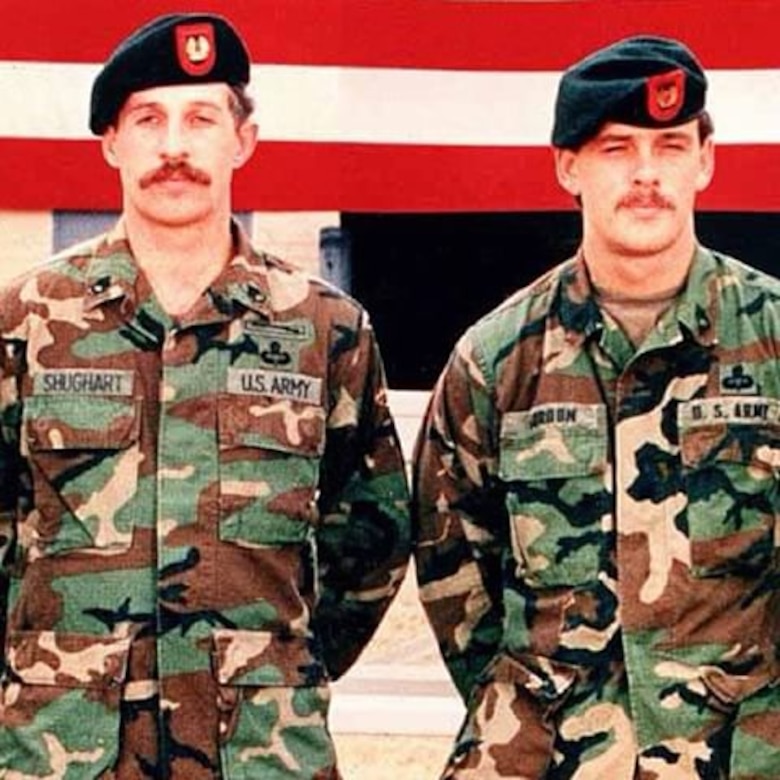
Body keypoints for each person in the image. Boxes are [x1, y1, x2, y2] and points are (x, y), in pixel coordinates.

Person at [0, 13, 410, 779]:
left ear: (243, 140)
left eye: (200, 119)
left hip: (260, 748)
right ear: (111, 143)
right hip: (63, 748)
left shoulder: (324, 328)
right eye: (148, 120)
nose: (174, 148)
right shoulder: (26, 321)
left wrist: (270, 666)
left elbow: (372, 539)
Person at [413, 34, 780, 778]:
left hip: (741, 751)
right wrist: (542, 711)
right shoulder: (495, 361)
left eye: (671, 146)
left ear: (705, 160)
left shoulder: (772, 339)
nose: (647, 175)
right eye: (617, 149)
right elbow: (455, 578)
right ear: (568, 167)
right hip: (547, 756)